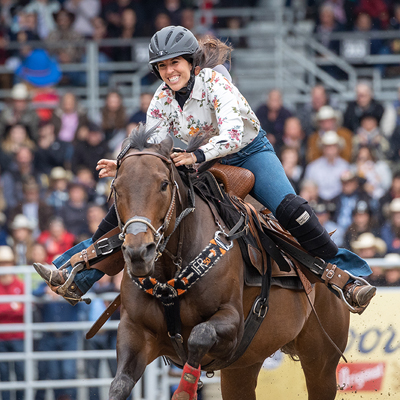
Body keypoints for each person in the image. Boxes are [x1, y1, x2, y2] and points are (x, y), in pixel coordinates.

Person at [34, 26, 376, 315]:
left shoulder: (214, 82)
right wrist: (126, 163)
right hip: (196, 160)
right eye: (163, 66)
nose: (170, 71)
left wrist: (196, 155)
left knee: (292, 210)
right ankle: (77, 274)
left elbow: (232, 134)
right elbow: (149, 139)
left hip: (248, 151)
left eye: (176, 63)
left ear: (191, 62)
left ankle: (348, 275)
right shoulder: (162, 98)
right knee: (137, 203)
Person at [0, 245, 25, 400]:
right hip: (2, 338)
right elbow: (18, 309)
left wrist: (5, 307)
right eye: (2, 263)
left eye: (7, 262)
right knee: (4, 376)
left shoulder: (19, 283)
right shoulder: (20, 284)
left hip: (17, 337)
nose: (4, 266)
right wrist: (12, 306)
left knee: (20, 373)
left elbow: (24, 310)